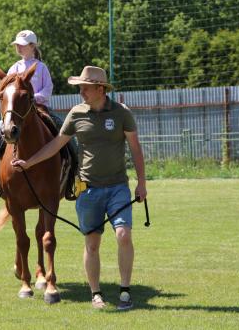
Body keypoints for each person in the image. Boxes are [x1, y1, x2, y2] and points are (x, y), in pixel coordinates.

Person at [11, 66, 147, 310]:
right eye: (80, 87)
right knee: (92, 243)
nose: (81, 91)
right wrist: (28, 162)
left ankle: (125, 290)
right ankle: (96, 293)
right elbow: (55, 146)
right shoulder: (76, 114)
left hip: (118, 186)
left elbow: (136, 149)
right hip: (88, 189)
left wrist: (142, 183)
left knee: (123, 235)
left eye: (85, 87)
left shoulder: (121, 113)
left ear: (100, 88)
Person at [0, 29, 61, 182]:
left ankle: (76, 165)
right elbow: (8, 89)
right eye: (17, 44)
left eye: (22, 45)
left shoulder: (41, 67)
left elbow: (48, 88)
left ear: (32, 46)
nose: (18, 47)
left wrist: (34, 98)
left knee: (63, 129)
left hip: (39, 108)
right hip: (17, 111)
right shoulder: (14, 68)